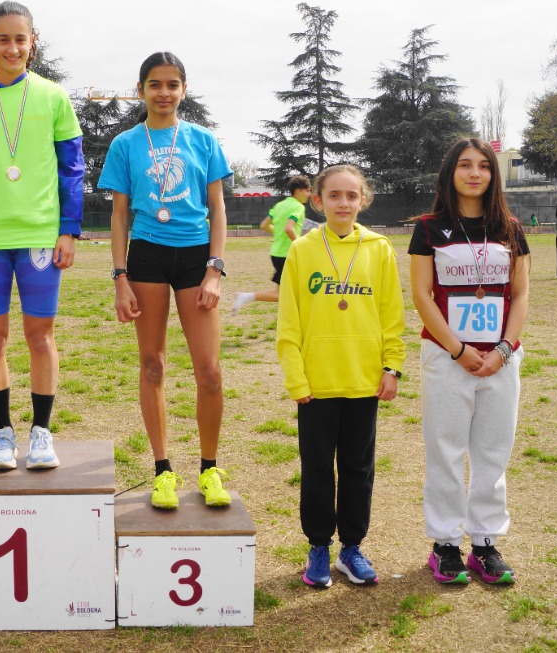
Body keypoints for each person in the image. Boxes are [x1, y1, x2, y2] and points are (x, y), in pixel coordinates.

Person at [0, 0, 83, 470]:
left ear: (32, 42)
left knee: (40, 336)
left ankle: (41, 432)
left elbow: (72, 169)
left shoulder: (53, 97)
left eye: (20, 39)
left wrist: (69, 229)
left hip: (39, 235)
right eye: (2, 39)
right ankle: (3, 435)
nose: (12, 48)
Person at [99, 51, 232, 510]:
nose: (164, 92)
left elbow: (217, 208)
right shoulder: (125, 144)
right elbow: (119, 215)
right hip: (147, 255)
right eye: (154, 84)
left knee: (209, 370)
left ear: (184, 90)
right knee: (152, 365)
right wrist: (120, 277)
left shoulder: (203, 140)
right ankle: (162, 471)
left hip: (196, 258)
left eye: (172, 84)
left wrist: (214, 269)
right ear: (140, 90)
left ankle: (209, 469)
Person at [276, 164, 405, 588]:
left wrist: (391, 366)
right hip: (316, 385)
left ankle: (351, 548)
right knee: (316, 470)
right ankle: (318, 546)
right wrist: (296, 378)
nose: (343, 203)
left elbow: (391, 315)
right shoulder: (302, 250)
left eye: (351, 195)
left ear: (363, 200)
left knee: (358, 470)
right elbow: (289, 321)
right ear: (318, 200)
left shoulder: (379, 248)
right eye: (334, 195)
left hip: (364, 382)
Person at [408, 137, 529, 585]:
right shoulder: (429, 228)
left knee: (493, 450)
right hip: (446, 357)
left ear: (493, 175)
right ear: (450, 172)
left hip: (500, 359)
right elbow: (421, 295)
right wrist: (458, 350)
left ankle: (484, 542)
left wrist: (504, 350)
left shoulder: (510, 228)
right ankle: (444, 544)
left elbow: (521, 294)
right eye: (464, 165)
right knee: (445, 449)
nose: (474, 173)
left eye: (483, 165)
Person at [232, 175, 309, 314]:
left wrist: (278, 232)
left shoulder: (280, 205)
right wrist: (300, 245)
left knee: (286, 292)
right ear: (298, 191)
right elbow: (289, 228)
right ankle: (245, 297)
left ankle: (245, 297)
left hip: (276, 254)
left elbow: (264, 225)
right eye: (307, 190)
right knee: (284, 294)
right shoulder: (298, 207)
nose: (309, 194)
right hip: (288, 255)